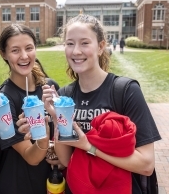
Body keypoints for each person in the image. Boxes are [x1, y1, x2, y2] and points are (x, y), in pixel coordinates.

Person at [42, 14, 161, 193]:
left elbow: (146, 164)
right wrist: (56, 116)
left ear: (101, 47)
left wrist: (88, 147)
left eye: (84, 43)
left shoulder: (125, 91)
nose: (76, 51)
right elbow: (66, 161)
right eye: (70, 43)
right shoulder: (65, 96)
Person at [0, 24, 61, 194]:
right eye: (15, 50)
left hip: (51, 182)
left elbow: (62, 133)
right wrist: (43, 140)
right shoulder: (2, 101)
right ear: (4, 54)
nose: (24, 56)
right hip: (18, 184)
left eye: (29, 48)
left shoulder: (50, 88)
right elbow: (31, 158)